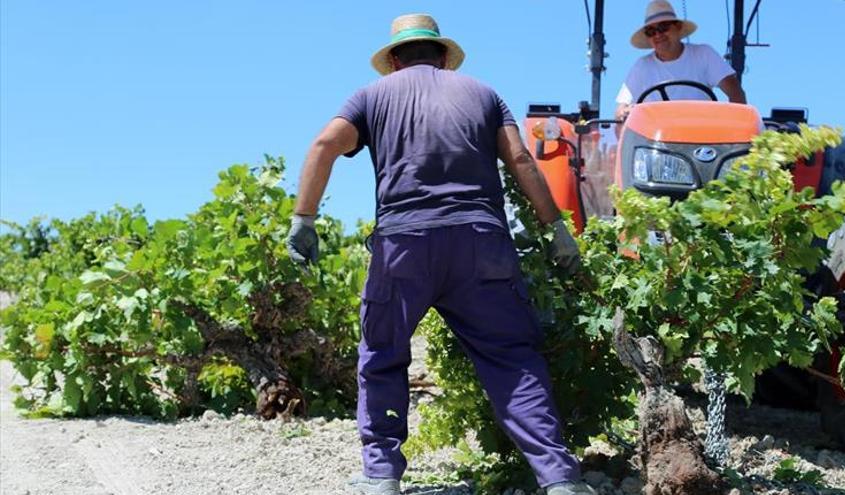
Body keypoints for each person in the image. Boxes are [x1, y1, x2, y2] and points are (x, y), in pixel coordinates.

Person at [286, 13, 596, 495]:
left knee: (383, 356)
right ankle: (559, 479)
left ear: (393, 60)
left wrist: (304, 220)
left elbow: (326, 143)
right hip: (481, 243)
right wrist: (556, 230)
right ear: (444, 58)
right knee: (511, 358)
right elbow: (518, 159)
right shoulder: (483, 94)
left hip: (402, 246)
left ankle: (381, 476)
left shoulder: (370, 97)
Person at [615, 0, 747, 120]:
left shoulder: (703, 54)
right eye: (651, 31)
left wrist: (735, 127)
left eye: (663, 27)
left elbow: (735, 92)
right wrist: (625, 112)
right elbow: (620, 111)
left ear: (677, 27)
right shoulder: (642, 66)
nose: (658, 35)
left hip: (702, 137)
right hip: (656, 142)